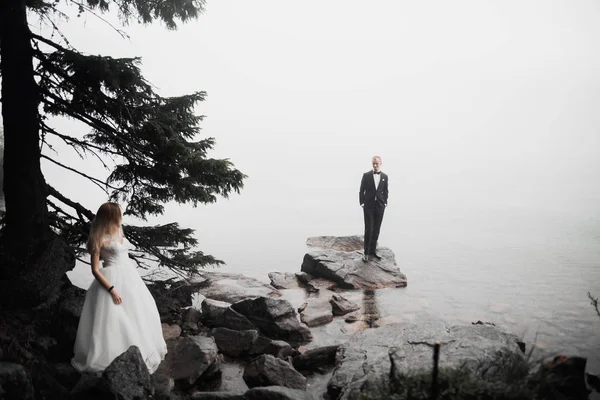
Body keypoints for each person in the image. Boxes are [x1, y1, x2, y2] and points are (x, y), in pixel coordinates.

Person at [71, 202, 167, 373]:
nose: (121, 217)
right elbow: (94, 270)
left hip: (129, 277)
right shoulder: (98, 239)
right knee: (112, 319)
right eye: (118, 214)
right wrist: (112, 289)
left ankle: (140, 351)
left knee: (139, 311)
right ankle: (114, 356)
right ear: (110, 217)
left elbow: (123, 255)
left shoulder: (118, 232)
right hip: (110, 279)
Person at [359, 156, 388, 262]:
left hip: (380, 206)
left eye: (377, 163)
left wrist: (385, 202)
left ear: (381, 163)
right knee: (369, 229)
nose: (375, 165)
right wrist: (362, 202)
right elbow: (361, 190)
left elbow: (385, 191)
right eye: (373, 163)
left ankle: (373, 251)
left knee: (376, 229)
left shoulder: (385, 176)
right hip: (368, 206)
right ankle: (366, 252)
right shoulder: (366, 175)